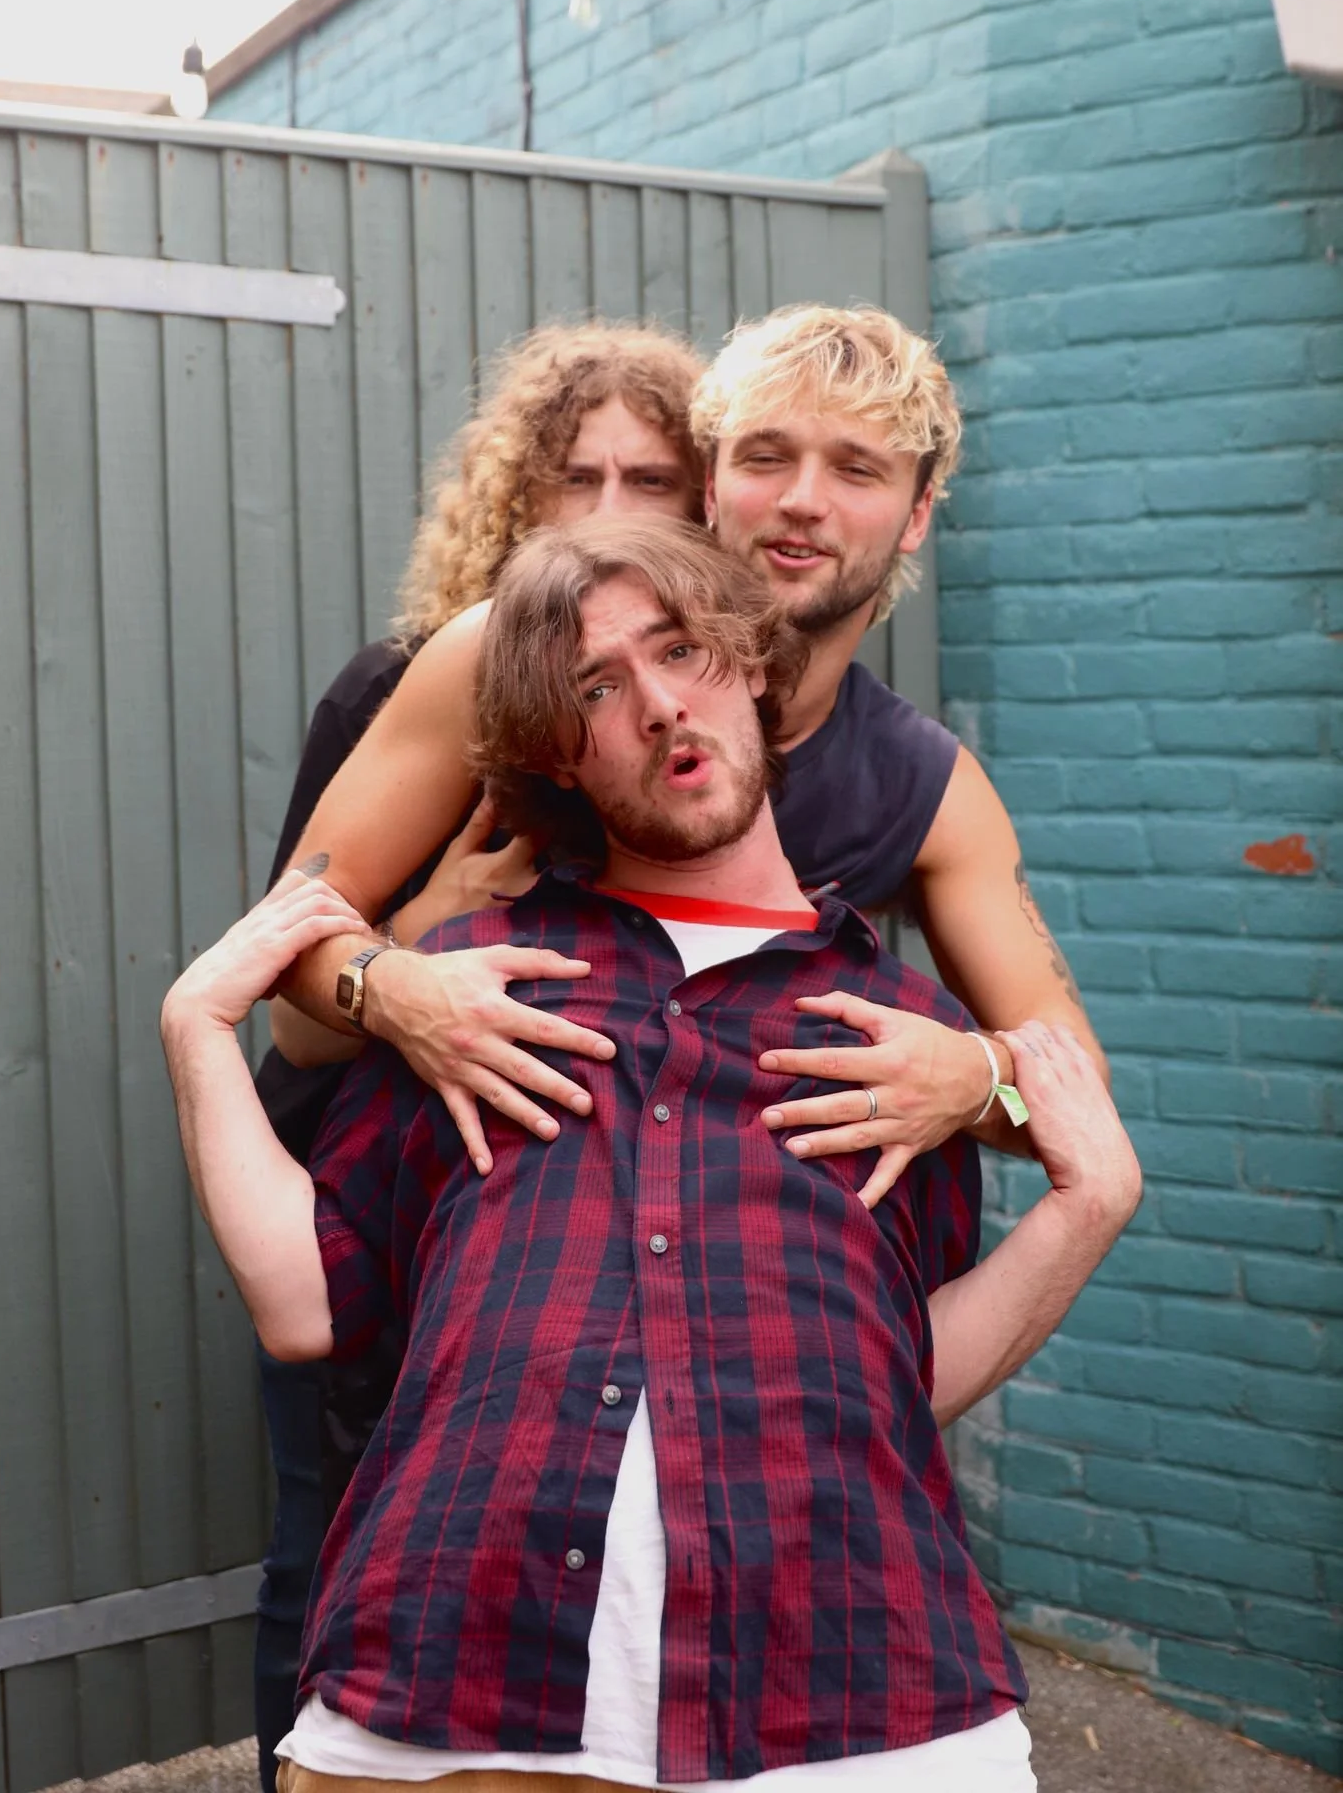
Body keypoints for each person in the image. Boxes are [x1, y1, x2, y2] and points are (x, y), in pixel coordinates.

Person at [162, 519, 1142, 1793]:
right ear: (558, 753)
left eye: (680, 650)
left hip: (855, 1708)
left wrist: (1084, 1200)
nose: (660, 704)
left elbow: (909, 1374)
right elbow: (304, 1302)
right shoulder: (476, 994)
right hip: (445, 1697)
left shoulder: (903, 1041)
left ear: (748, 667)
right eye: (595, 688)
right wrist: (198, 1024)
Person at [271, 304, 1104, 1198]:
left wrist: (976, 1082)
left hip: (714, 1273)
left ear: (916, 514)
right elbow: (282, 962)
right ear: (711, 488)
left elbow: (1074, 1101)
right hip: (401, 1233)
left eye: (857, 469)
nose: (802, 499)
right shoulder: (494, 654)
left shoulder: (926, 789)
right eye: (766, 457)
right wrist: (399, 986)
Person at [250, 322, 707, 1792]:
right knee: (338, 1556)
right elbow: (285, 1006)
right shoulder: (402, 687)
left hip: (580, 1242)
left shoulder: (699, 716)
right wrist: (421, 938)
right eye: (576, 478)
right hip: (370, 1206)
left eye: (653, 477)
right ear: (515, 501)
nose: (612, 510)